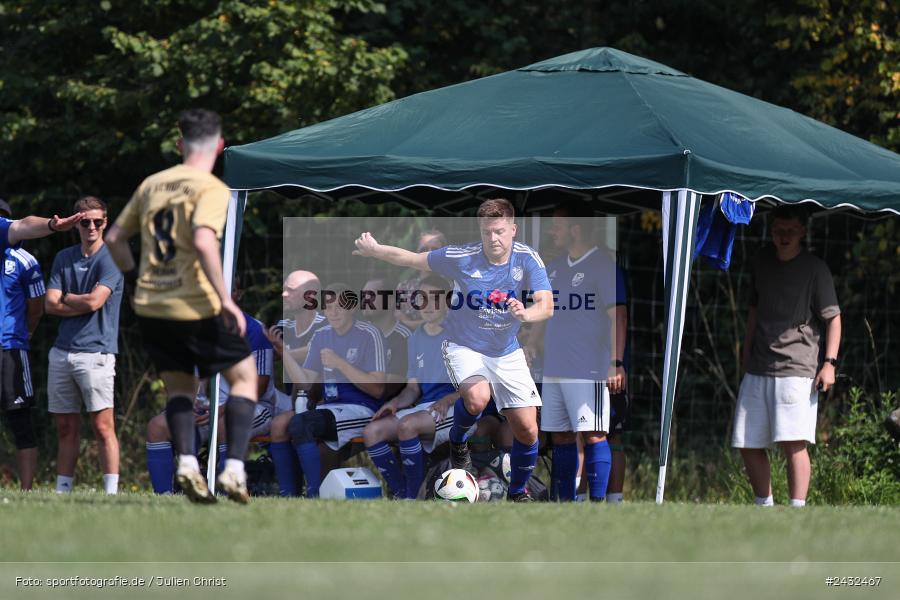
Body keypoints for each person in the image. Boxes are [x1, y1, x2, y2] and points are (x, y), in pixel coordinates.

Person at [354, 198, 553, 501]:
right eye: (487, 232)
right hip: (465, 345)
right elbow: (411, 259)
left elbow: (546, 306)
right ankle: (459, 441)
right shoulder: (462, 256)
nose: (493, 238)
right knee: (477, 397)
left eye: (499, 231)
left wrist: (525, 314)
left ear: (513, 229)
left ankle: (518, 492)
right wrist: (375, 250)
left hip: (506, 350)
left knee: (527, 430)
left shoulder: (528, 258)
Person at [106, 108, 258, 504]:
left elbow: (113, 238)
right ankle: (234, 470)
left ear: (180, 144)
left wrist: (136, 276)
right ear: (220, 145)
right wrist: (226, 300)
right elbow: (205, 241)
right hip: (195, 302)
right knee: (244, 378)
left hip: (153, 304)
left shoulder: (152, 184)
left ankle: (188, 464)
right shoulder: (211, 188)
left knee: (180, 389)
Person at [734, 204, 841, 507]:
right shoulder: (762, 262)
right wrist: (746, 351)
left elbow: (834, 318)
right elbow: (754, 311)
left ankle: (797, 510)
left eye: (790, 230)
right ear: (771, 230)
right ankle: (764, 507)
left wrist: (829, 364)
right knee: (746, 442)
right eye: (779, 229)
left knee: (793, 443)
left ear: (803, 232)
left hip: (797, 368)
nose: (783, 236)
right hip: (758, 366)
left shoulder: (815, 269)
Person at [532, 204, 626, 502]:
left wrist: (615, 363)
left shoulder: (603, 266)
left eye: (556, 226)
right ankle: (565, 502)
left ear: (575, 228)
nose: (551, 232)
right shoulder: (555, 267)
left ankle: (597, 504)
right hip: (554, 368)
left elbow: (618, 316)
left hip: (589, 369)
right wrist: (532, 343)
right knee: (560, 436)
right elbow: (544, 312)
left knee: (594, 434)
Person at [146, 307, 278, 495]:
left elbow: (259, 386)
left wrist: (221, 410)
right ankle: (164, 496)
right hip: (210, 410)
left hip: (252, 407)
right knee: (157, 426)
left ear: (236, 293)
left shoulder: (254, 330)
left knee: (226, 423)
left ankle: (226, 493)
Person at [44, 196, 124, 495]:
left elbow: (95, 301)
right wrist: (76, 301)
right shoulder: (63, 257)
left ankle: (111, 492)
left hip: (97, 353)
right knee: (65, 428)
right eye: (85, 221)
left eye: (98, 221)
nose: (91, 227)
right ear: (75, 222)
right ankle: (62, 490)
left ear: (105, 222)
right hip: (61, 352)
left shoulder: (112, 257)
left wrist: (67, 297)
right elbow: (50, 305)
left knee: (103, 427)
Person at [277, 282, 385, 497]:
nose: (333, 312)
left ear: (352, 307)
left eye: (340, 306)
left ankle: (314, 493)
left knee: (302, 424)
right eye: (328, 307)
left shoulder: (369, 334)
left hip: (363, 409)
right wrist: (284, 353)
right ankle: (294, 493)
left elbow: (378, 388)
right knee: (296, 425)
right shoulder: (321, 335)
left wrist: (340, 363)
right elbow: (306, 383)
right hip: (332, 409)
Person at [363, 274, 460, 499]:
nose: (428, 305)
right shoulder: (415, 338)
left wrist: (448, 399)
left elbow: (477, 386)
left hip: (458, 407)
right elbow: (413, 389)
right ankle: (399, 492)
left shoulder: (461, 334)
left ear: (447, 301)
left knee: (407, 426)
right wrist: (394, 403)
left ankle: (414, 495)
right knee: (372, 431)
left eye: (435, 298)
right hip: (427, 408)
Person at [0, 199, 49, 490]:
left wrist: (23, 334)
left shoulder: (25, 260)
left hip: (10, 347)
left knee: (20, 420)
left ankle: (27, 489)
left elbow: (37, 306)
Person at [266, 269, 326, 497]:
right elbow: (270, 351)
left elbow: (316, 352)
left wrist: (286, 351)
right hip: (293, 401)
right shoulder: (284, 325)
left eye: (290, 290)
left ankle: (312, 493)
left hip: (323, 401)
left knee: (283, 423)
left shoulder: (327, 325)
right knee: (279, 425)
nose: (283, 294)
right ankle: (287, 493)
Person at [361, 275, 411, 400]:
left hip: (381, 408)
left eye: (371, 295)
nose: (365, 300)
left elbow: (387, 389)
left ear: (390, 301)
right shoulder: (356, 333)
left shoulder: (404, 338)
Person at [396, 229, 447, 330]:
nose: (428, 253)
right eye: (423, 249)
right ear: (416, 253)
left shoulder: (454, 285)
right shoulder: (403, 287)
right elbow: (398, 320)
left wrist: (410, 324)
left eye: (434, 249)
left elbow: (450, 319)